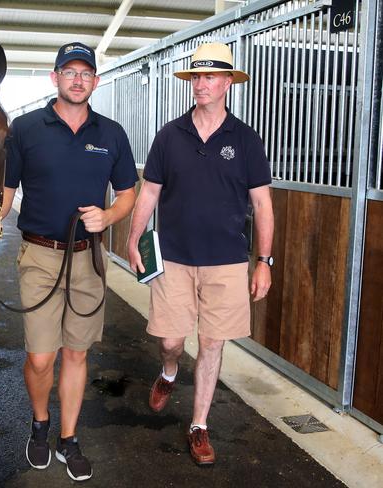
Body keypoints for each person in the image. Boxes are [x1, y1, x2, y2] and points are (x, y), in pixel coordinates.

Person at [126, 42, 274, 466]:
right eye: (196, 77)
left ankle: (199, 425)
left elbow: (262, 204)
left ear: (228, 83)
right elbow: (149, 192)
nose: (201, 84)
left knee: (211, 341)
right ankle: (169, 372)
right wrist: (134, 239)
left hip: (227, 261)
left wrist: (264, 261)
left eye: (210, 77)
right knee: (171, 340)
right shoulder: (169, 136)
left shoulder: (245, 140)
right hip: (173, 258)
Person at [1, 42, 138, 481]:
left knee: (76, 354)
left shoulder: (112, 133)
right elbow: (4, 194)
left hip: (87, 260)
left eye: (85, 73)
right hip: (39, 257)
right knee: (42, 358)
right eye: (69, 72)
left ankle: (68, 439)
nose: (77, 80)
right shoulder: (24, 129)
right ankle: (39, 425)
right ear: (54, 78)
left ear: (95, 81)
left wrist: (110, 215)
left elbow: (128, 194)